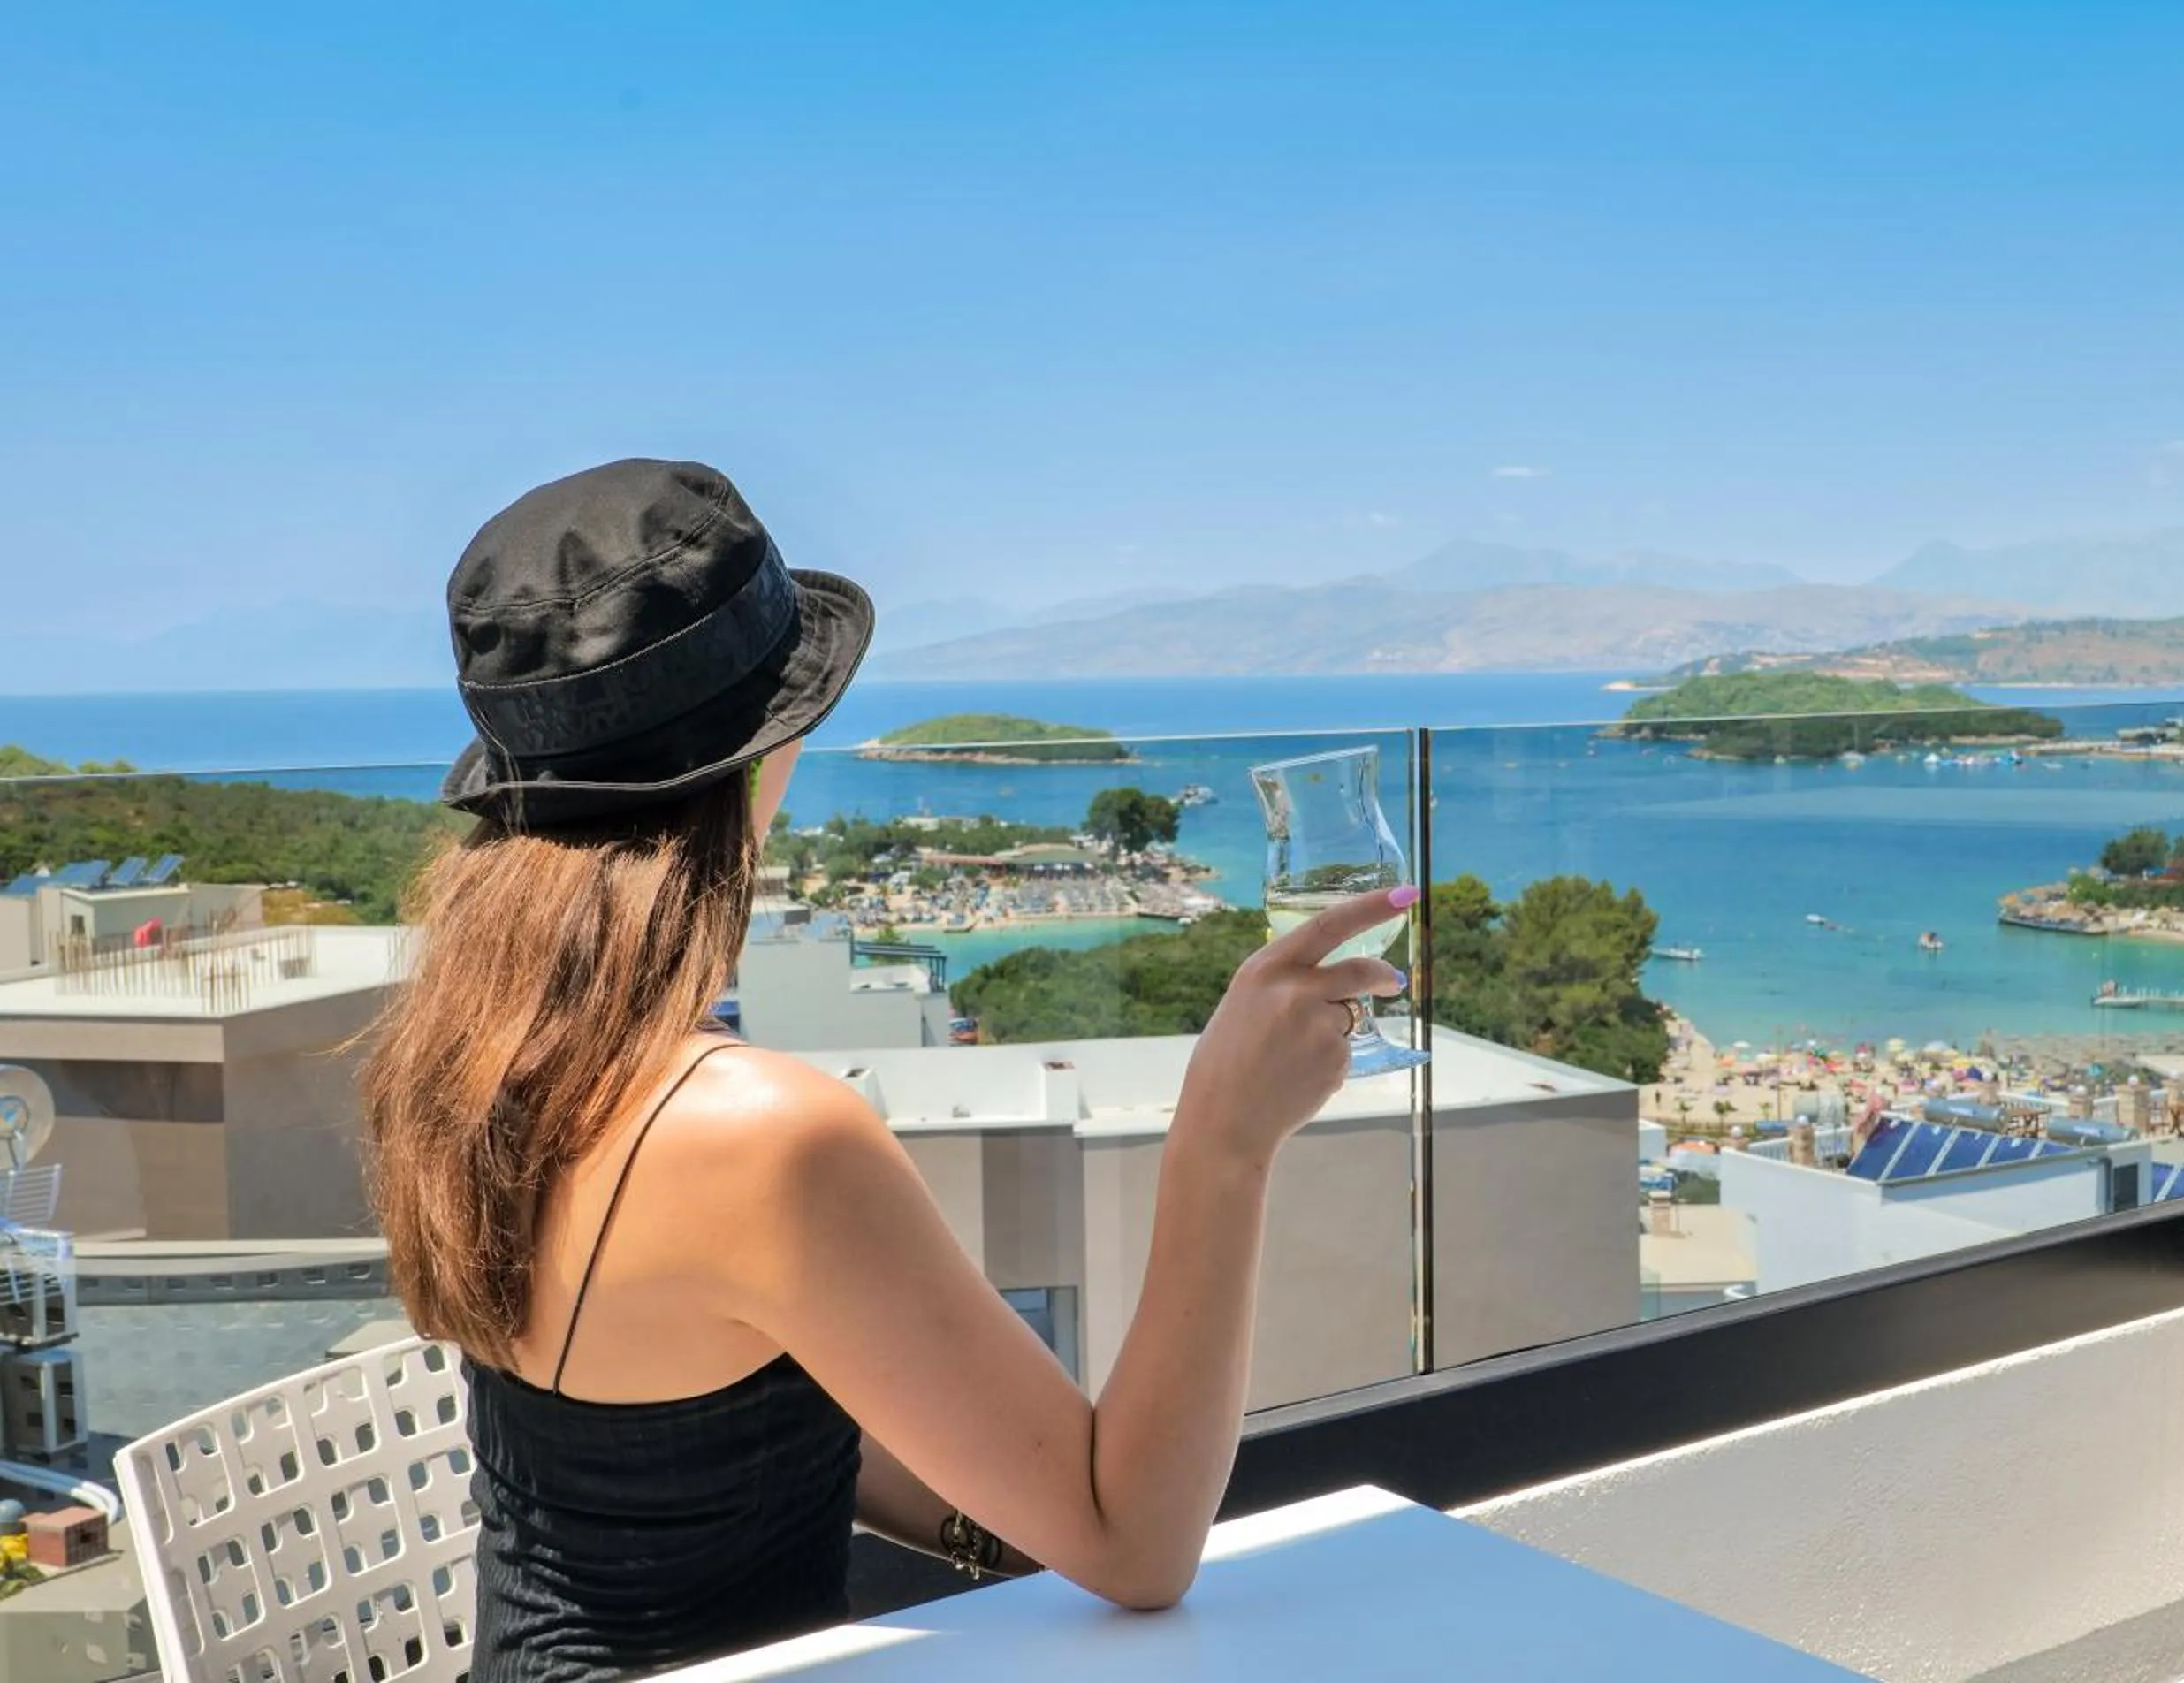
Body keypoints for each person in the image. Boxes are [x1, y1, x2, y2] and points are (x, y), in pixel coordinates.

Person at [360, 460, 1408, 1681]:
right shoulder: (760, 1132)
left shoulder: (473, 1053)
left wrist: (1003, 1507)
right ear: (770, 753)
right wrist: (1224, 1141)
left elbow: (688, 1447)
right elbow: (1143, 1552)